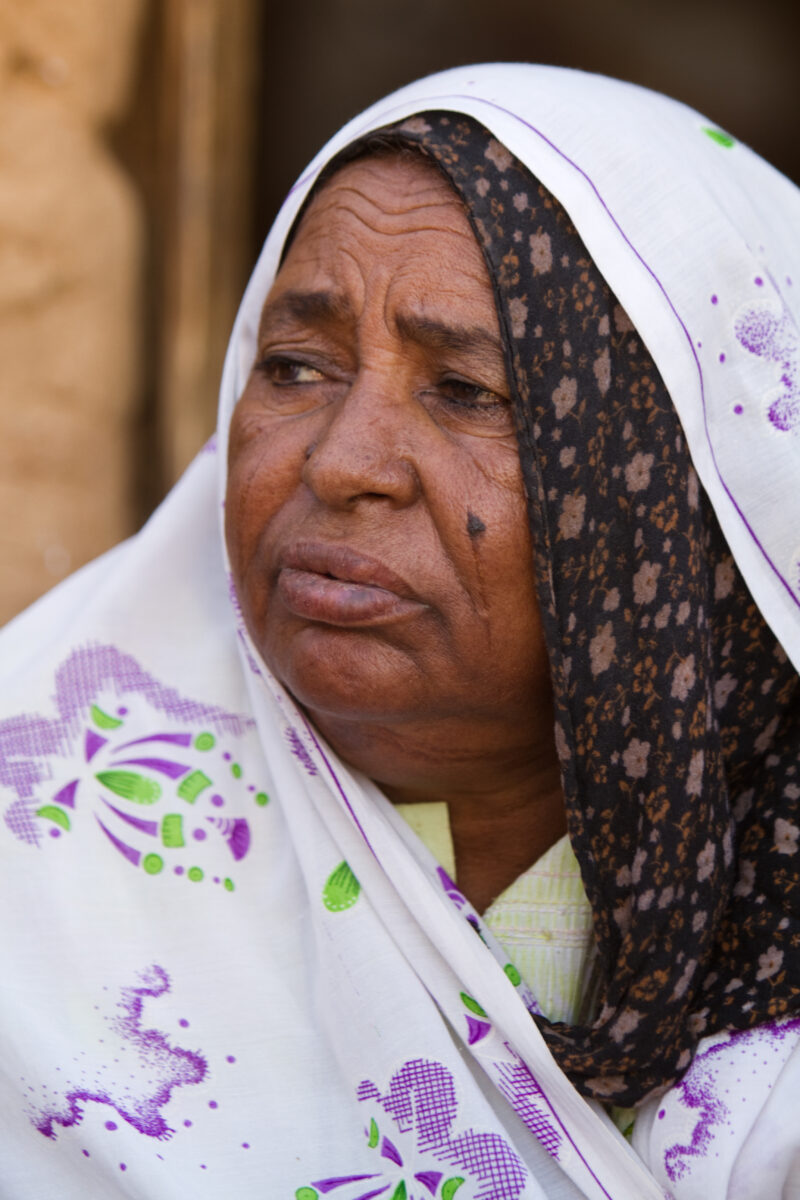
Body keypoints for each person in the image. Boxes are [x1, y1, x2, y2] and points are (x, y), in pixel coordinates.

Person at [1, 63, 799, 1200]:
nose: (340, 463)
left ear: (675, 492)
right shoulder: (34, 874)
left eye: (467, 391)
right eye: (295, 369)